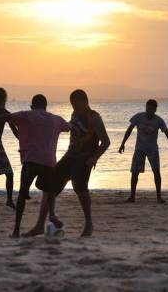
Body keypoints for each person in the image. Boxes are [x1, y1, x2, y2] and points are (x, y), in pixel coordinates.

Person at [0, 94, 71, 238]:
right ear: (46, 107)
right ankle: (52, 214)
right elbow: (71, 127)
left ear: (31, 106)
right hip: (49, 163)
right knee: (50, 189)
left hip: (31, 162)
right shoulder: (56, 119)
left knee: (22, 194)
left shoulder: (25, 115)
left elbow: (1, 119)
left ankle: (16, 231)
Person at [24, 89, 110, 238]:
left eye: (76, 104)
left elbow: (106, 142)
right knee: (49, 186)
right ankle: (40, 225)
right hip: (69, 156)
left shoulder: (94, 118)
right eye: (72, 105)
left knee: (81, 190)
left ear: (85, 101)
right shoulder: (75, 114)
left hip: (84, 159)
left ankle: (89, 223)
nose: (74, 107)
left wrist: (94, 158)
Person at [119, 99, 168, 203]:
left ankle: (159, 197)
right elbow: (129, 130)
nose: (149, 110)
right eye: (147, 108)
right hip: (139, 149)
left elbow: (167, 134)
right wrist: (122, 144)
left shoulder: (159, 120)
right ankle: (132, 196)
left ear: (155, 109)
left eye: (151, 108)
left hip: (152, 149)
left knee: (156, 172)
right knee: (135, 172)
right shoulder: (138, 117)